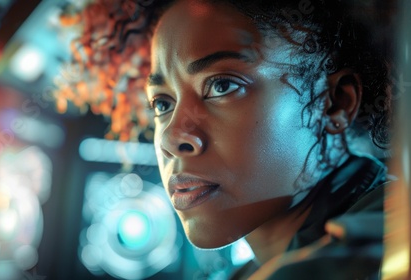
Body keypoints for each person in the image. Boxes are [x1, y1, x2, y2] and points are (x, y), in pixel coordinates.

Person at [61, 0, 396, 278]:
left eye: (222, 86)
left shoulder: (394, 234)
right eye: (162, 103)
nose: (172, 138)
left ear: (335, 102)